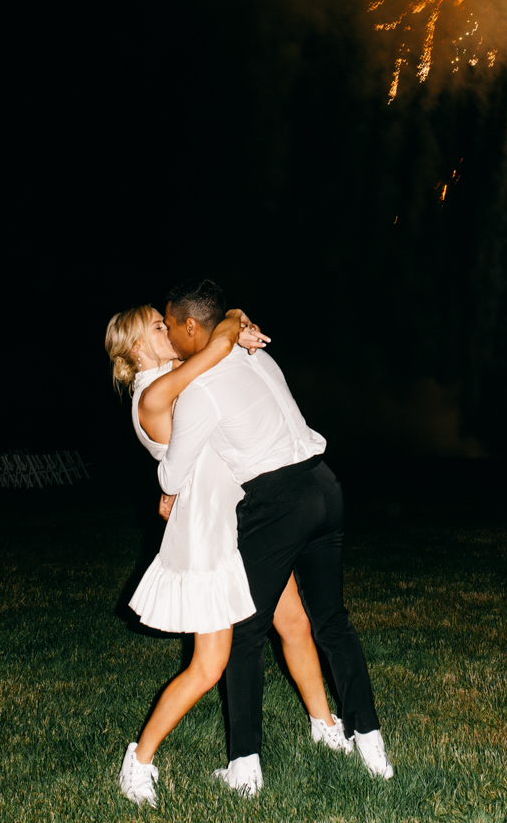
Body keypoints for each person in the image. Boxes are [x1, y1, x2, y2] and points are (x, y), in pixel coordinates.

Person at [104, 305, 349, 808]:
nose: (170, 330)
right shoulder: (151, 395)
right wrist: (229, 331)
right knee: (209, 665)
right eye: (158, 326)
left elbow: (221, 336)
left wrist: (238, 322)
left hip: (244, 520)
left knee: (294, 622)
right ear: (135, 348)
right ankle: (139, 760)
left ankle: (325, 726)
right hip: (209, 534)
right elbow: (214, 348)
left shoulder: (175, 374)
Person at [158, 278, 393, 797]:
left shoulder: (200, 388)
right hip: (325, 485)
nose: (170, 334)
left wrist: (169, 488)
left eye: (170, 324)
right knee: (331, 619)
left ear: (190, 325)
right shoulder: (256, 355)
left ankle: (245, 767)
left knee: (244, 630)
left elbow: (173, 475)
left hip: (280, 500)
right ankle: (369, 741)